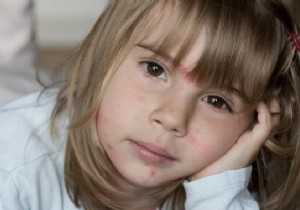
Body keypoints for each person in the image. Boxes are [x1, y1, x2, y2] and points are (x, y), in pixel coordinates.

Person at [0, 0, 299, 209]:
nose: (172, 118)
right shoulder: (12, 167)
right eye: (155, 69)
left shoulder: (227, 185)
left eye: (216, 101)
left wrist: (218, 192)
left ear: (255, 122)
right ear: (105, 53)